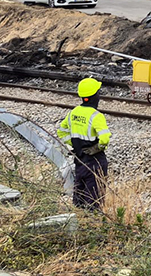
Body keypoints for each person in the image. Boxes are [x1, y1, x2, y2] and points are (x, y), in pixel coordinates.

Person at [57, 77, 111, 210]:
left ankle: (79, 221)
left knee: (79, 197)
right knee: (94, 200)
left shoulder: (73, 113)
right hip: (95, 162)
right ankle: (92, 224)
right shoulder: (96, 116)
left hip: (80, 161)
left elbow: (61, 131)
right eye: (98, 92)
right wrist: (96, 148)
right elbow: (104, 139)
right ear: (94, 96)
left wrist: (74, 146)